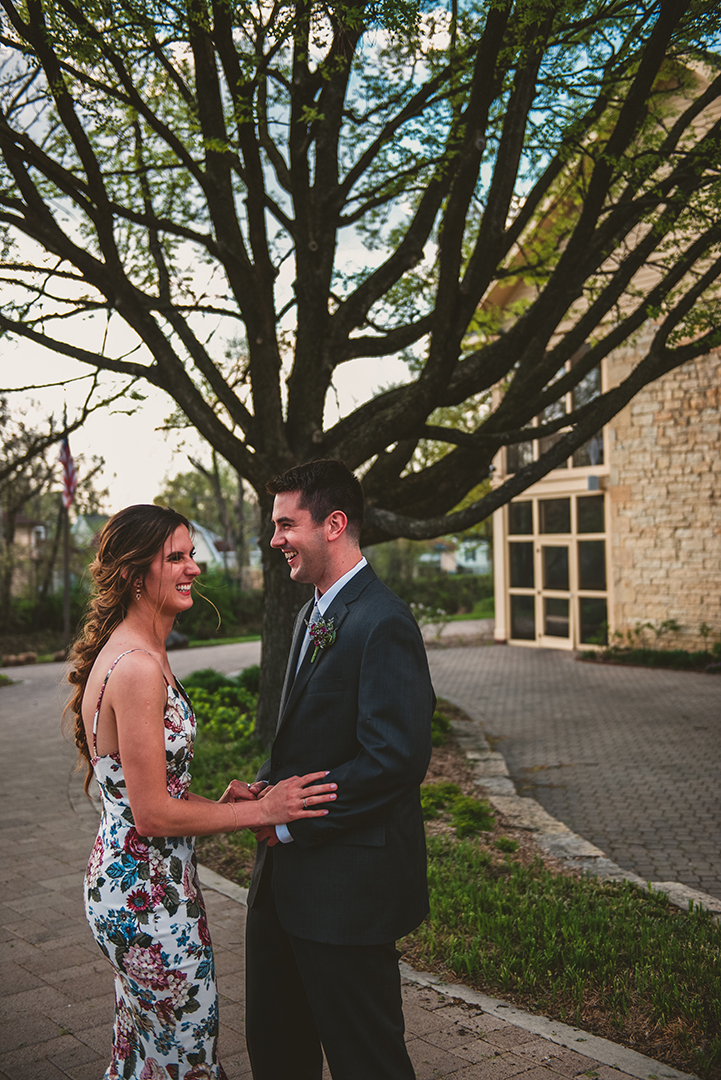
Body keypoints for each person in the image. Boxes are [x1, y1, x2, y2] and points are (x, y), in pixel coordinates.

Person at [67, 504, 337, 1080]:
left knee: (143, 1054)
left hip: (141, 883)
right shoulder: (138, 666)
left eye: (192, 555)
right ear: (134, 574)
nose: (193, 568)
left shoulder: (140, 650)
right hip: (147, 899)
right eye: (176, 558)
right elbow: (154, 815)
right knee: (185, 1057)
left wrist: (218, 805)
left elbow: (152, 796)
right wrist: (265, 810)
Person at [245, 460, 435, 1080]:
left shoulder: (383, 621)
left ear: (333, 524)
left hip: (345, 894)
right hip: (283, 887)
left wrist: (291, 820)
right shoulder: (310, 614)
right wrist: (267, 790)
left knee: (367, 1060)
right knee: (278, 1048)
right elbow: (309, 736)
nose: (274, 540)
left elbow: (393, 759)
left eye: (284, 524)